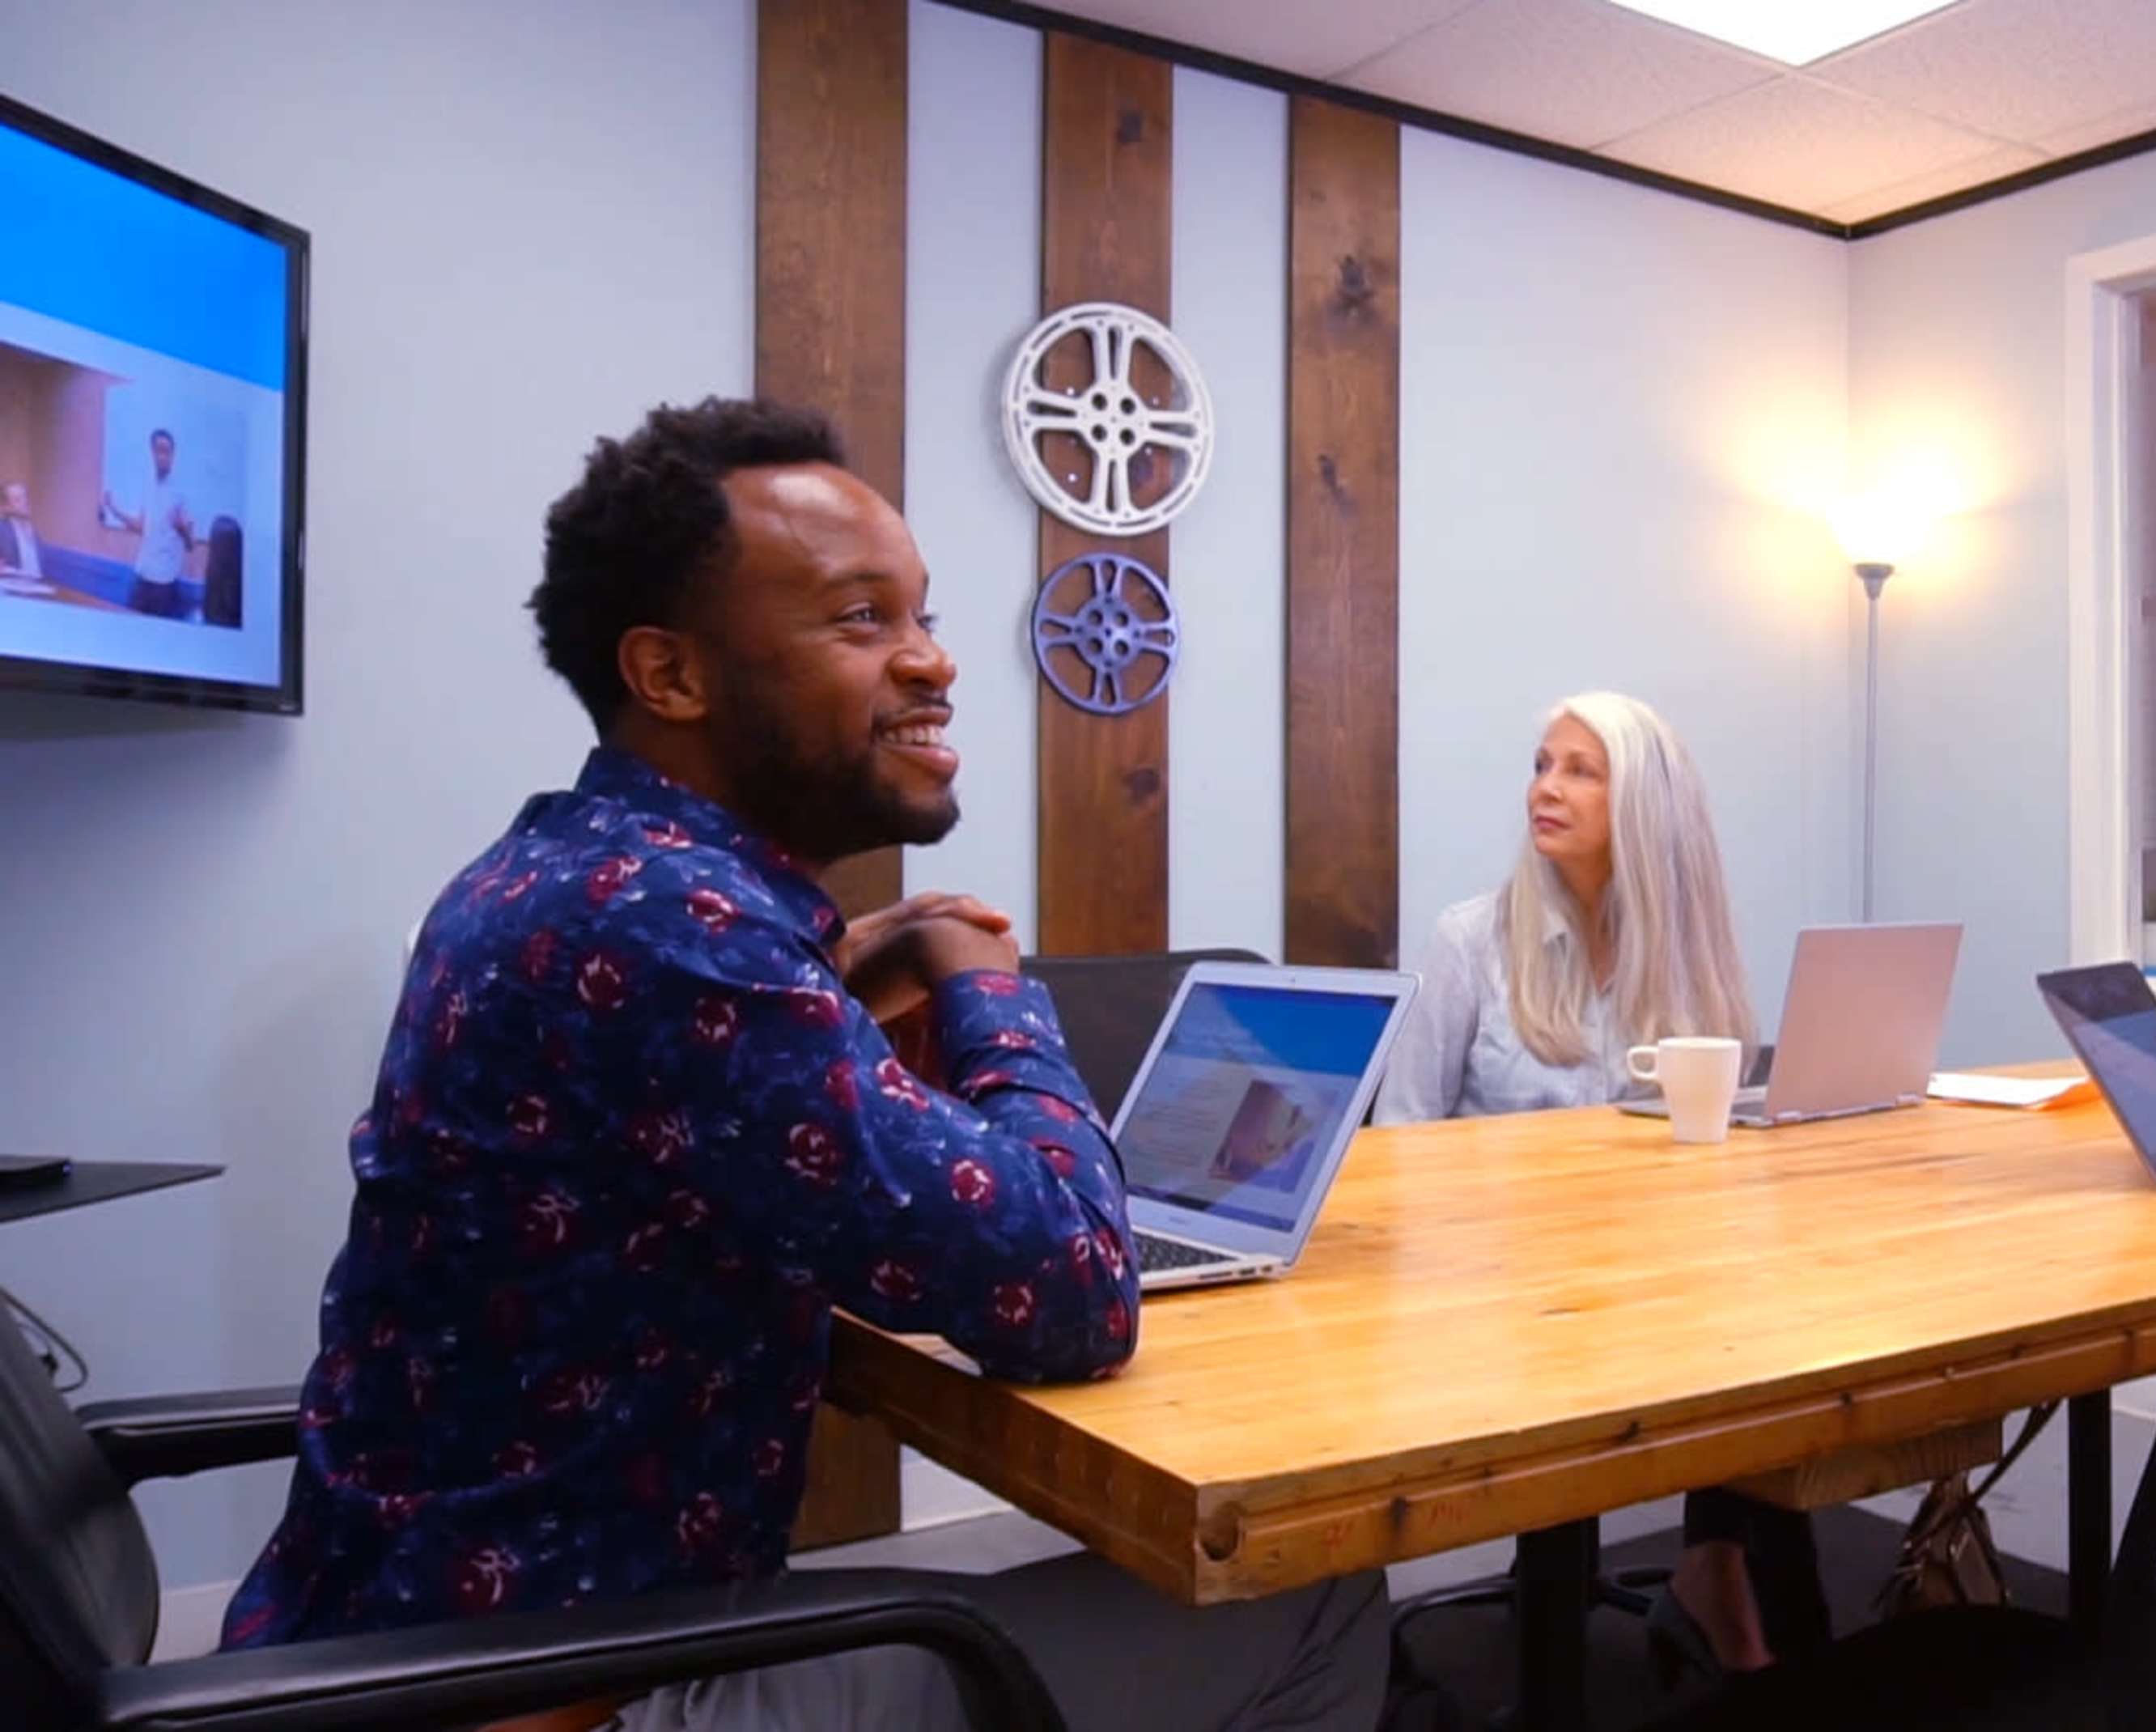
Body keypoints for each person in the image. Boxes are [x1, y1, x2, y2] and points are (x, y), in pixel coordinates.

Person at [218, 399, 1386, 1731]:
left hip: (382, 1647)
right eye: (858, 620)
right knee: (1315, 1591)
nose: (933, 664)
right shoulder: (678, 932)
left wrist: (829, 974)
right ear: (671, 677)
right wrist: (990, 987)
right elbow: (1075, 1290)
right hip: (555, 1695)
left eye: (924, 616)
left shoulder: (568, 873)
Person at [1374, 692, 1823, 1679]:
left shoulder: (1691, 949)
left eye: (1581, 769)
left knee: (1767, 1311)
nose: (1546, 788)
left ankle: (1721, 1568)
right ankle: (1696, 1601)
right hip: (1494, 1280)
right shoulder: (1471, 941)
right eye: (1542, 764)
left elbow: (1716, 1130)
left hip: (1647, 1271)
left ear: (1644, 803)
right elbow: (1396, 1141)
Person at [104, 427, 197, 618]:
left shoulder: (183, 492)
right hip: (141, 574)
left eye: (167, 451)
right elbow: (141, 526)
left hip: (164, 582)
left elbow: (191, 545)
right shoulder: (148, 486)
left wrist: (182, 530)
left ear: (173, 455)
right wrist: (114, 510)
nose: (163, 456)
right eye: (159, 450)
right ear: (153, 453)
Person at [0, 482, 44, 589]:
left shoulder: (32, 531)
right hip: (9, 589)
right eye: (18, 500)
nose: (25, 502)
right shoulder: (2, 529)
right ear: (5, 507)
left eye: (25, 498)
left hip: (36, 588)